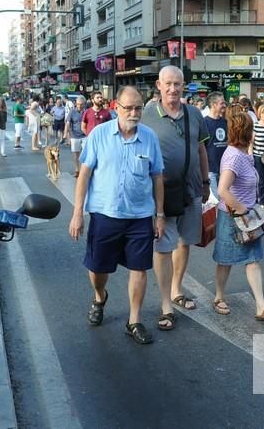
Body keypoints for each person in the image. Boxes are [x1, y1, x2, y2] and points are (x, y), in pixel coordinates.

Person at [68, 86, 165, 344]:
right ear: (116, 107)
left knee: (139, 268)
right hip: (105, 214)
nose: (134, 113)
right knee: (98, 268)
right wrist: (78, 213)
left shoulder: (149, 137)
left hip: (140, 216)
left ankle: (134, 321)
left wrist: (160, 215)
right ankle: (100, 296)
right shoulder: (98, 135)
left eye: (138, 108)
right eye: (128, 108)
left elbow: (157, 177)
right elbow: (84, 175)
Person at [142, 66, 210, 330]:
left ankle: (176, 289)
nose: (173, 89)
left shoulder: (194, 114)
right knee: (163, 247)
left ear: (184, 86)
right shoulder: (146, 114)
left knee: (184, 242)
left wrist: (206, 183)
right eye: (168, 84)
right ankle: (165, 304)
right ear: (159, 85)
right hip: (161, 194)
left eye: (177, 84)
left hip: (192, 189)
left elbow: (202, 150)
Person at [211, 109, 264, 321]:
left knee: (253, 260)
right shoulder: (233, 157)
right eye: (252, 129)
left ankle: (261, 306)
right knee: (225, 260)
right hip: (233, 219)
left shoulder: (242, 153)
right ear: (246, 132)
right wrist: (241, 208)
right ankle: (219, 297)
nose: (255, 132)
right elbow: (222, 189)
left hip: (248, 219)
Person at [203, 91, 228, 197]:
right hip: (211, 170)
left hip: (226, 169)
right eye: (222, 103)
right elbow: (201, 148)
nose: (224, 105)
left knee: (225, 201)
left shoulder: (225, 122)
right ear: (214, 104)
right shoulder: (204, 123)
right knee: (215, 201)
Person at [64, 96, 87, 178]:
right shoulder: (72, 112)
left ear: (84, 104)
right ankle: (77, 170)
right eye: (78, 104)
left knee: (86, 154)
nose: (79, 106)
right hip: (74, 136)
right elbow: (68, 123)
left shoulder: (87, 112)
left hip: (85, 136)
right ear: (76, 104)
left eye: (81, 104)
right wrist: (65, 133)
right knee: (76, 155)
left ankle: (84, 170)